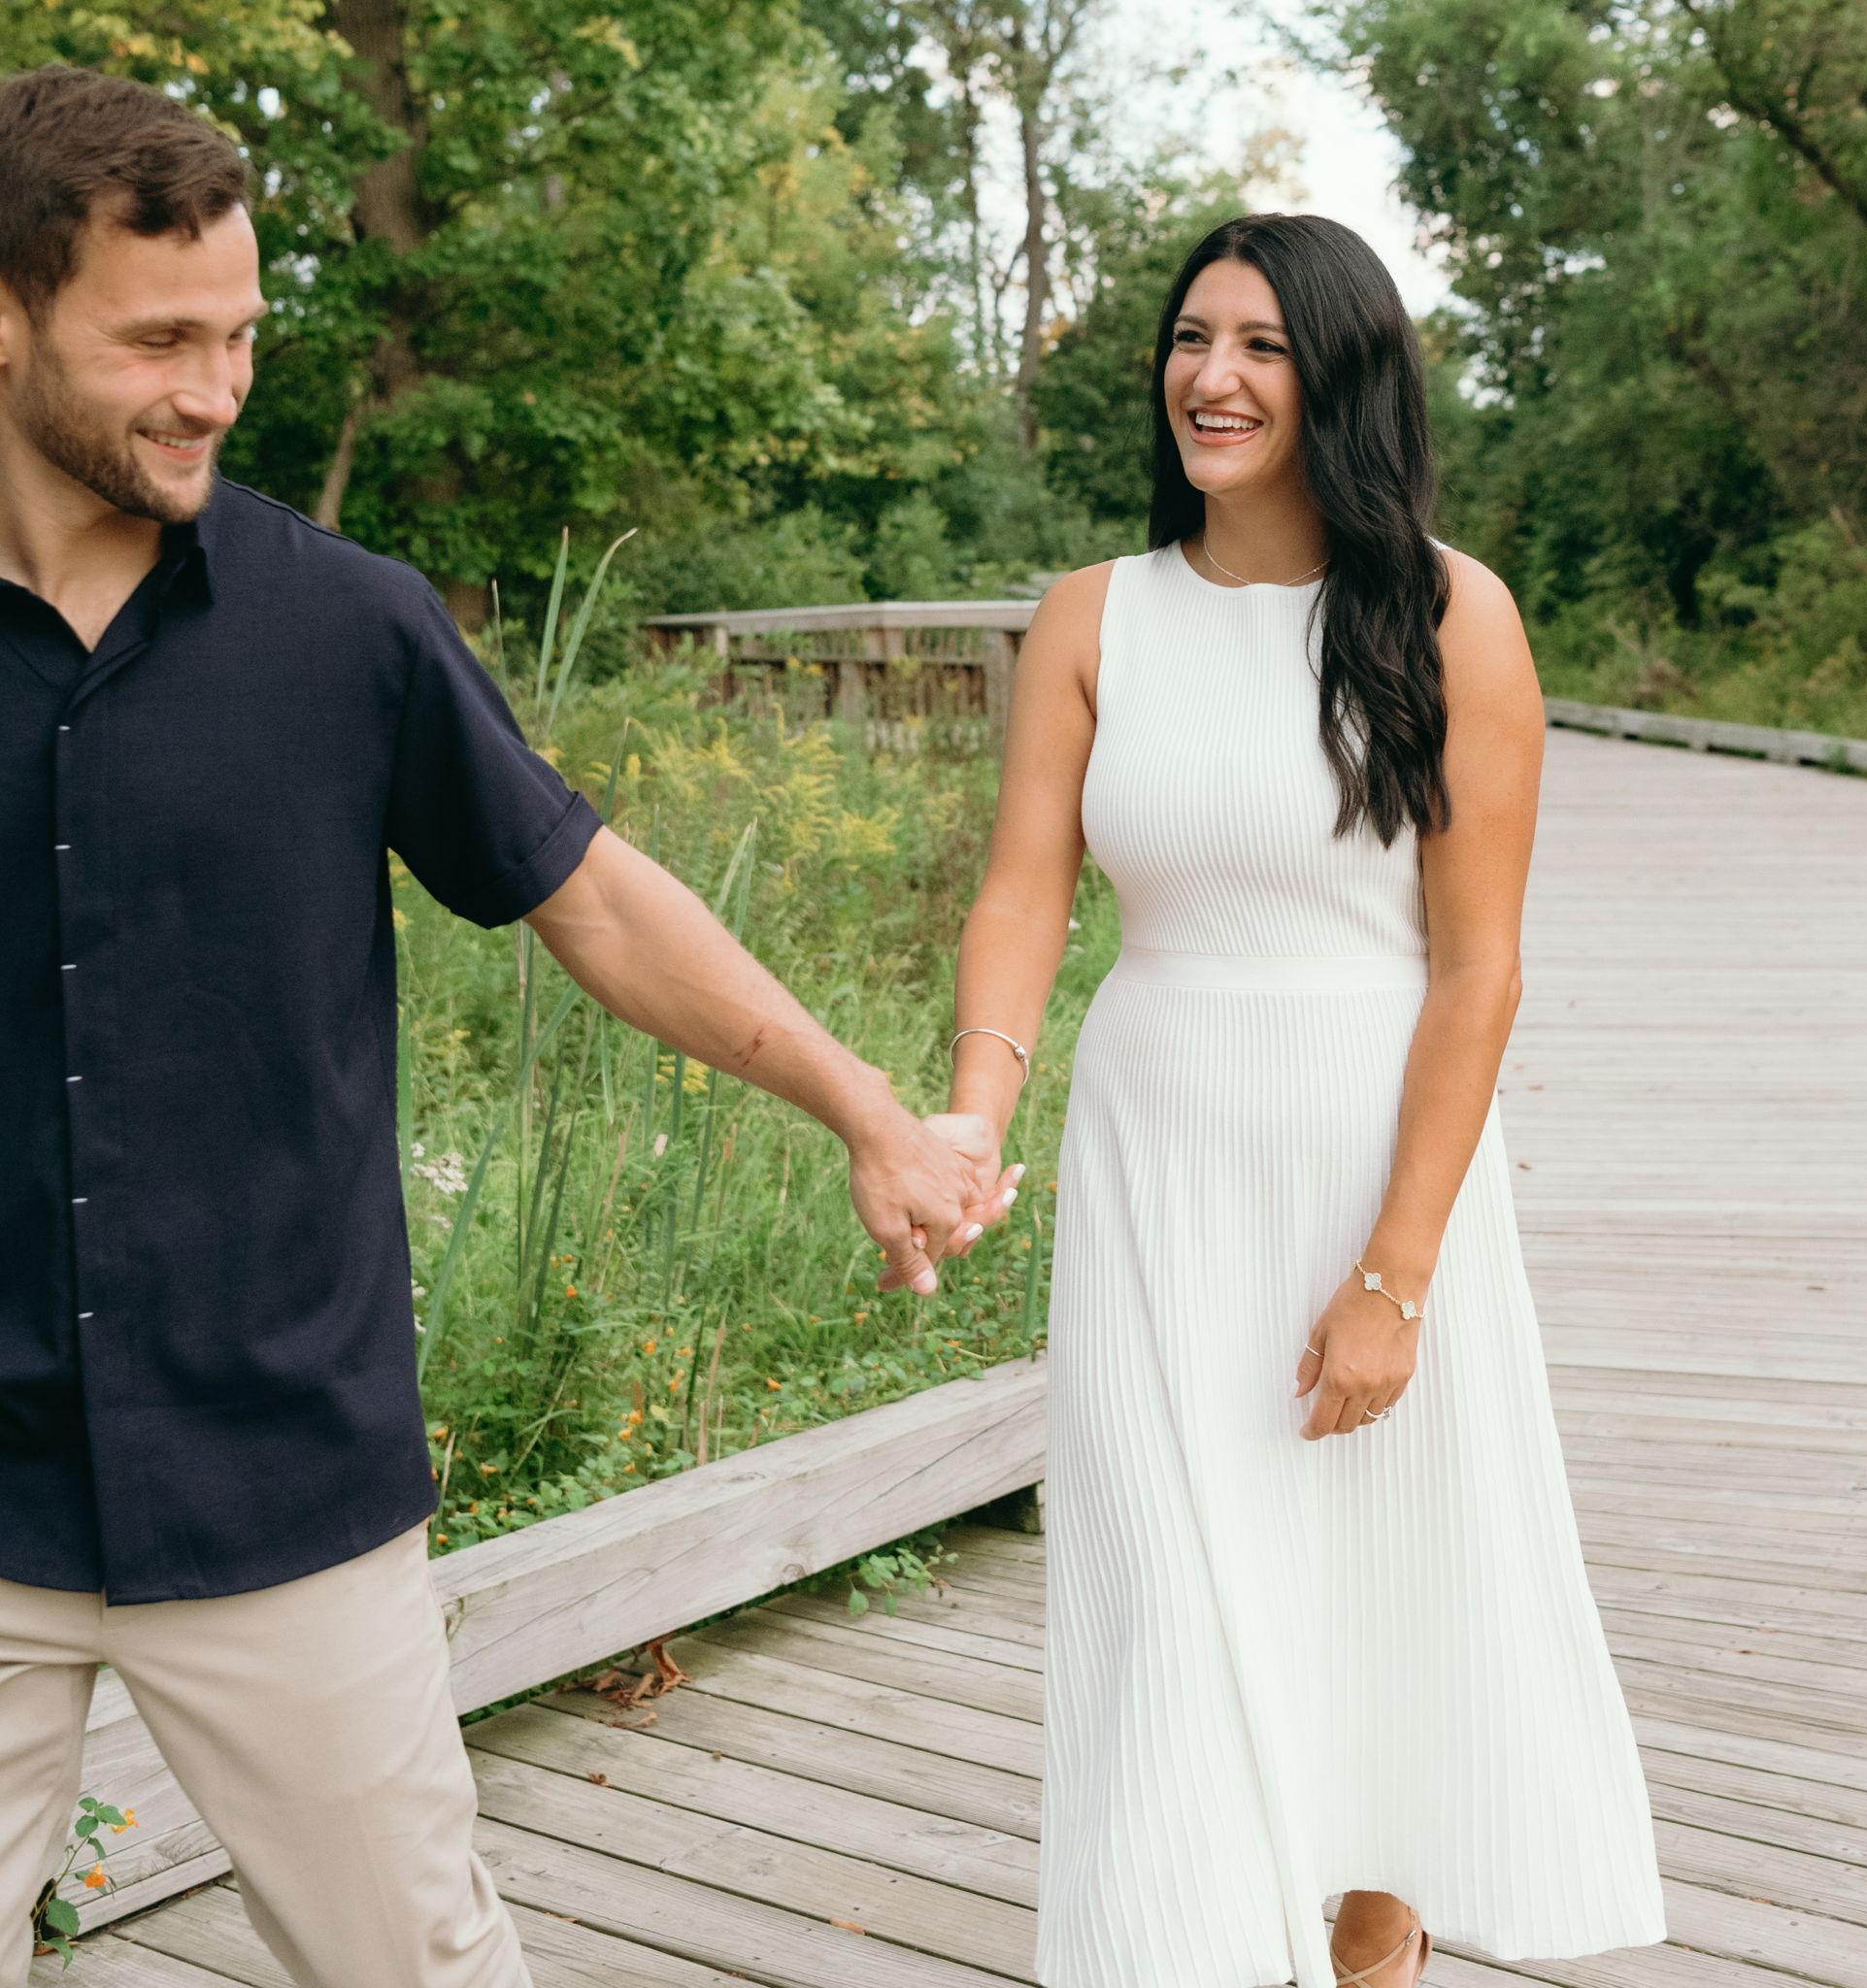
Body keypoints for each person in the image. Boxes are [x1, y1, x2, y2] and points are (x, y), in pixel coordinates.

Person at [0, 63, 1017, 1988]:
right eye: (158, 342)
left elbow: (594, 899)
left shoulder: (345, 629)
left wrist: (866, 1108)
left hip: (280, 1474)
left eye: (239, 335)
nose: (215, 389)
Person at [934, 214, 1669, 1986]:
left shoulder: (1449, 614)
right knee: (1162, 1582)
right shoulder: (1095, 618)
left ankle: (1374, 1940)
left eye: (1261, 345)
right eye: (1193, 339)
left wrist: (1395, 1276)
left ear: (1339, 375)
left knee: (1380, 1582)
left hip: (1372, 1157)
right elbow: (1025, 894)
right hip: (1154, 1151)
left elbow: (1477, 970)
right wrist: (973, 1113)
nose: (1213, 376)